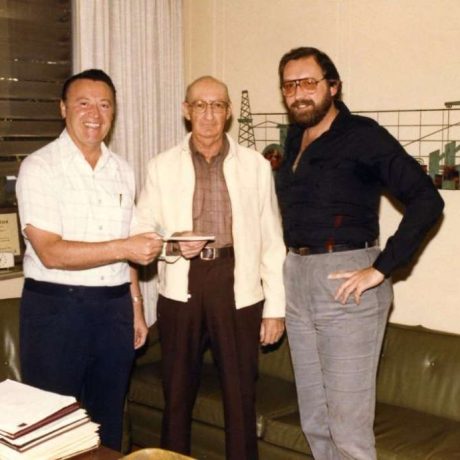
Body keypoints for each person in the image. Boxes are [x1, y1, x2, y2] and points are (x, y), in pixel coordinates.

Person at [275, 47, 444, 460]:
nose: (299, 93)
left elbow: (427, 200)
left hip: (346, 284)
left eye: (309, 83)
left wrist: (380, 269)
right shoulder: (295, 137)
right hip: (297, 281)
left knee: (348, 433)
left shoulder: (363, 135)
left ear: (333, 86)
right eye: (289, 85)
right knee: (315, 422)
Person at [133, 75, 286, 460]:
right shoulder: (160, 166)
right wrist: (172, 245)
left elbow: (272, 241)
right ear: (186, 111)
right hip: (181, 285)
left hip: (238, 281)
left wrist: (276, 308)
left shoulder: (255, 166)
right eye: (200, 105)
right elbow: (142, 234)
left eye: (217, 105)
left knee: (240, 395)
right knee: (178, 392)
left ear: (229, 112)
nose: (208, 114)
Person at [16, 69, 162, 451]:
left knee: (107, 421)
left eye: (104, 105)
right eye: (83, 103)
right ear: (63, 109)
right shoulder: (39, 167)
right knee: (51, 426)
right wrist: (125, 248)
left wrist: (136, 306)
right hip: (55, 309)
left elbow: (129, 247)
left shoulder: (123, 171)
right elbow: (51, 252)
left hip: (113, 309)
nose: (94, 113)